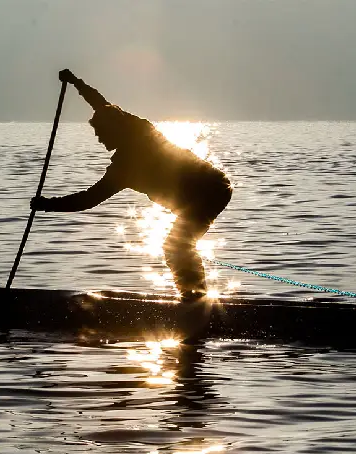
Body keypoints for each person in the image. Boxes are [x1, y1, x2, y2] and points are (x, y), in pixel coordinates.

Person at [31, 69, 233, 302]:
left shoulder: (134, 145)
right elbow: (100, 104)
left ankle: (195, 300)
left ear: (114, 129)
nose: (98, 138)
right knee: (177, 246)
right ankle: (194, 297)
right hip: (211, 189)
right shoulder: (132, 139)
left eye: (100, 132)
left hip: (209, 189)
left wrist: (46, 205)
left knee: (176, 246)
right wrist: (76, 82)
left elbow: (87, 200)